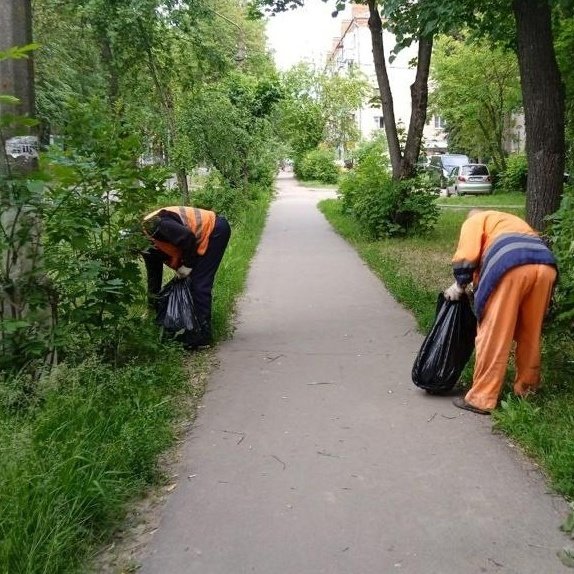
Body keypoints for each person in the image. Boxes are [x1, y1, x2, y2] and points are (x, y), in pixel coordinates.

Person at [444, 209, 557, 414]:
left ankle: (482, 398)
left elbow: (468, 254)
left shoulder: (474, 220)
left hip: (510, 267)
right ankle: (527, 390)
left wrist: (459, 284)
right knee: (530, 333)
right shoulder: (508, 221)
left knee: (495, 333)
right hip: (546, 266)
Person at [142, 206, 231, 349]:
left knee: (199, 284)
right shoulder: (146, 247)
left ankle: (202, 337)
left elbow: (187, 237)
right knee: (192, 283)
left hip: (214, 230)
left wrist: (188, 266)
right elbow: (154, 275)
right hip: (200, 239)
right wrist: (151, 306)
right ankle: (191, 330)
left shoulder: (155, 225)